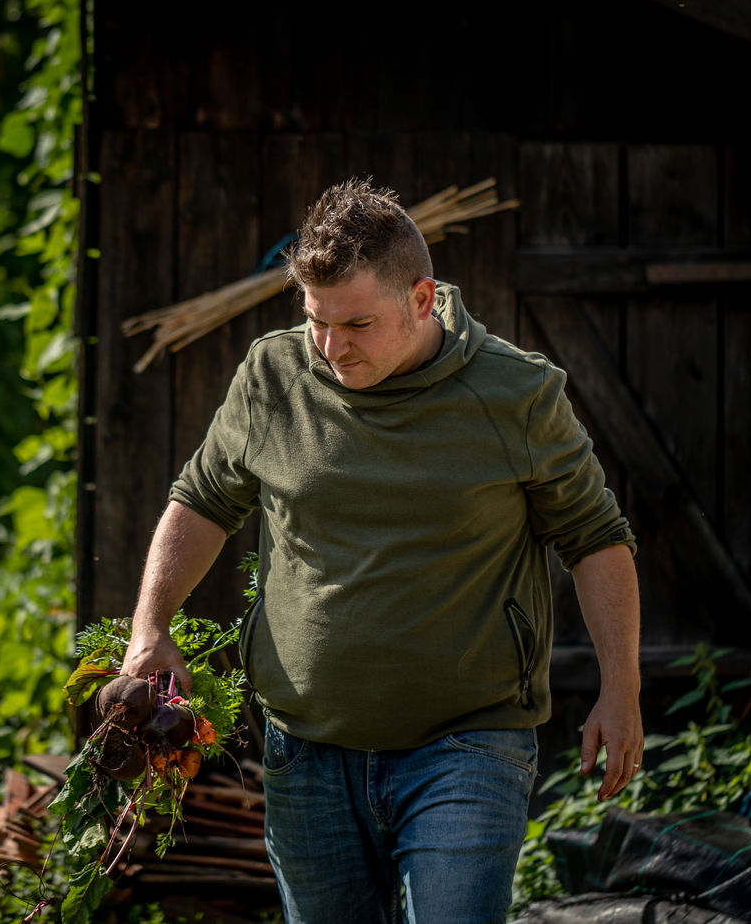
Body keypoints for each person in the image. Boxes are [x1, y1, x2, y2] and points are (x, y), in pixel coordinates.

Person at [120, 178, 642, 923]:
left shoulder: (516, 394)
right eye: (316, 321)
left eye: (357, 323)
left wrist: (622, 687)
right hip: (306, 750)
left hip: (467, 746)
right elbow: (202, 499)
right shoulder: (273, 376)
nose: (332, 348)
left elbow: (596, 538)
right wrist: (150, 627)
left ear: (422, 300)